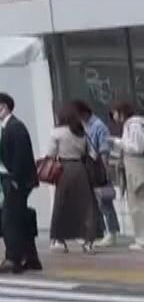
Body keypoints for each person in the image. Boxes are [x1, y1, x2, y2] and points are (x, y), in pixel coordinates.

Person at [0, 91, 42, 274]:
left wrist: (15, 180)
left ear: (4, 107)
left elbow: (21, 156)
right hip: (14, 180)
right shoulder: (8, 127)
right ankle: (31, 258)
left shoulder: (15, 127)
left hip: (17, 181)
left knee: (9, 220)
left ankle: (13, 258)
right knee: (20, 218)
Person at [47, 103, 101, 254]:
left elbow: (51, 153)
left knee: (62, 204)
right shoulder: (81, 132)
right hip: (81, 169)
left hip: (64, 170)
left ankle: (59, 240)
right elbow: (91, 153)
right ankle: (88, 241)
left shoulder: (57, 132)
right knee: (86, 206)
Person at [77, 100, 122, 247]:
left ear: (83, 113)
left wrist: (105, 169)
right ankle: (100, 231)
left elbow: (104, 149)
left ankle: (112, 232)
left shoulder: (98, 126)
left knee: (105, 201)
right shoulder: (85, 125)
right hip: (90, 167)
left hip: (99, 168)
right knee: (95, 202)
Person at [120, 101, 144, 248]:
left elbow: (137, 147)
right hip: (136, 167)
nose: (114, 117)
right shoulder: (137, 123)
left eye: (115, 113)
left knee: (137, 205)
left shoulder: (133, 125)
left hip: (136, 168)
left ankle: (141, 239)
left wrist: (119, 143)